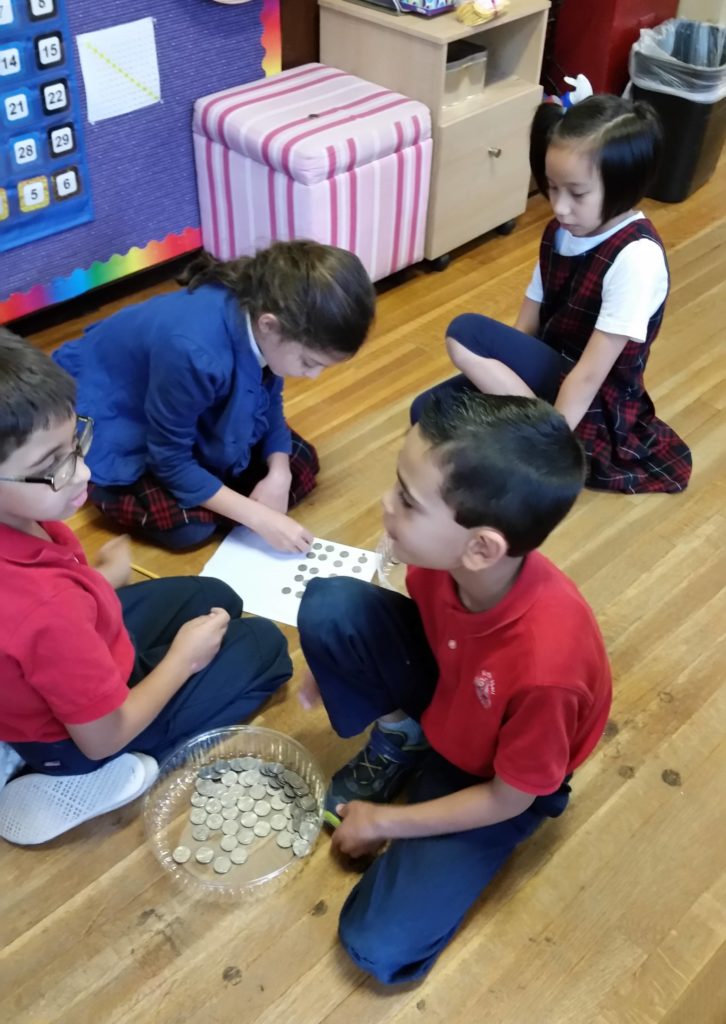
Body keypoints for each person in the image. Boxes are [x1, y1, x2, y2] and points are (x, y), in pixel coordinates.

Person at [297, 391, 612, 984]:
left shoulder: (549, 668)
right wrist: (335, 659)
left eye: (407, 502)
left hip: (496, 778)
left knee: (377, 946)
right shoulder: (444, 561)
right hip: (455, 693)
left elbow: (509, 796)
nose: (385, 505)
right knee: (331, 607)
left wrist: (384, 822)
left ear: (481, 546)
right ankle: (407, 741)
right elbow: (411, 621)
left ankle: (426, 777)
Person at [0, 331, 292, 844]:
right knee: (265, 649)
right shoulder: (48, 610)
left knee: (214, 594)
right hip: (83, 741)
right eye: (50, 467)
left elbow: (40, 615)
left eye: (75, 445)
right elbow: (102, 733)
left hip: (61, 659)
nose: (83, 472)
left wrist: (98, 581)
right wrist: (184, 659)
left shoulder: (28, 530)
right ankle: (90, 782)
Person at [412, 95, 691, 494]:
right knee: (426, 413)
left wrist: (552, 440)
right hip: (545, 378)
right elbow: (526, 326)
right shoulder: (560, 233)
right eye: (553, 187)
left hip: (585, 405)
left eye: (577, 194)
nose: (559, 207)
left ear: (624, 186)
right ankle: (521, 434)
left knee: (465, 333)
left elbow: (591, 374)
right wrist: (496, 391)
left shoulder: (636, 258)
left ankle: (539, 443)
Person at [53, 240, 376, 551]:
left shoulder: (266, 320)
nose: (313, 376)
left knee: (300, 465)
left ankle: (222, 493)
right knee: (188, 529)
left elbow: (270, 400)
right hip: (118, 410)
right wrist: (259, 517)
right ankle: (107, 489)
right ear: (269, 326)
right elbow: (169, 459)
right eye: (309, 362)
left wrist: (279, 472)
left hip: (186, 398)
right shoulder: (193, 351)